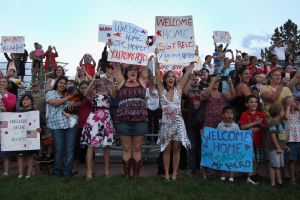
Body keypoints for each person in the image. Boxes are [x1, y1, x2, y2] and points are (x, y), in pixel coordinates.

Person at [155, 58, 193, 181]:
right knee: (166, 149)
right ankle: (166, 174)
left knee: (177, 149)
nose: (171, 78)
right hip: (166, 124)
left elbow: (187, 74)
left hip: (178, 124)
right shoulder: (161, 90)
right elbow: (156, 73)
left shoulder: (179, 89)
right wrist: (156, 60)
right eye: (168, 77)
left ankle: (174, 174)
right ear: (165, 80)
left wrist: (192, 62)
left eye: (173, 76)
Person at [113, 63, 149, 180]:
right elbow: (116, 67)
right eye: (130, 70)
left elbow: (144, 65)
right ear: (126, 73)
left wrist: (147, 49)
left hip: (140, 120)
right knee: (127, 148)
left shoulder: (142, 81)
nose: (133, 71)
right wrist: (112, 47)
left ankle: (136, 176)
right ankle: (127, 175)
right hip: (124, 120)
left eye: (135, 70)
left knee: (137, 148)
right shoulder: (121, 82)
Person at [81, 73, 115, 179]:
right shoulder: (94, 90)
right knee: (91, 145)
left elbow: (114, 95)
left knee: (106, 145)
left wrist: (111, 81)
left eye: (104, 78)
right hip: (94, 118)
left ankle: (106, 171)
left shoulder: (109, 89)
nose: (102, 80)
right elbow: (85, 94)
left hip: (106, 118)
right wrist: (93, 81)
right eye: (100, 78)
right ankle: (89, 171)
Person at [46, 76, 78, 176]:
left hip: (70, 124)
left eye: (65, 83)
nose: (63, 85)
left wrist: (74, 102)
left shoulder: (69, 94)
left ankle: (68, 172)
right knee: (59, 149)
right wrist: (70, 97)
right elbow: (55, 103)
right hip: (56, 125)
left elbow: (78, 103)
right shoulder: (51, 93)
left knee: (69, 149)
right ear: (57, 83)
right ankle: (57, 172)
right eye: (61, 82)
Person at [240, 95, 268, 185]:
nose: (254, 103)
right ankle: (249, 176)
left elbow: (265, 126)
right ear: (246, 104)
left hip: (257, 141)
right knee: (250, 159)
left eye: (255, 102)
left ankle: (253, 176)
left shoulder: (260, 114)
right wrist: (255, 123)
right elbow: (242, 127)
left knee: (256, 160)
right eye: (251, 102)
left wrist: (260, 124)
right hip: (247, 142)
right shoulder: (244, 114)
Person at [16, 93, 41, 179]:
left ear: (31, 101)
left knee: (30, 155)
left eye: (27, 99)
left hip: (31, 136)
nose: (25, 101)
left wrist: (40, 129)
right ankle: (20, 173)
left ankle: (29, 173)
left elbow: (42, 124)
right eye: (23, 100)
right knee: (20, 155)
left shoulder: (36, 112)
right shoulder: (18, 113)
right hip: (20, 136)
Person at [183, 74, 202, 175]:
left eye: (196, 80)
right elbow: (184, 92)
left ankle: (200, 167)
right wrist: (189, 80)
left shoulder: (203, 92)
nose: (195, 81)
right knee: (192, 146)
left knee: (200, 146)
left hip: (201, 123)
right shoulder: (188, 92)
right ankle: (191, 168)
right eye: (193, 80)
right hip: (190, 122)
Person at [267, 103, 288, 187]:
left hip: (280, 148)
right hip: (274, 148)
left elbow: (281, 136)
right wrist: (278, 147)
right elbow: (272, 136)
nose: (284, 112)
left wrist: (284, 146)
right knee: (273, 166)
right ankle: (273, 183)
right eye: (283, 110)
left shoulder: (280, 122)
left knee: (278, 166)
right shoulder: (273, 122)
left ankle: (279, 182)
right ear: (279, 112)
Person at [217, 106, 240, 183]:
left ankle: (231, 176)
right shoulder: (220, 125)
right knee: (222, 160)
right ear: (223, 115)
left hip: (232, 148)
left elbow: (239, 136)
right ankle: (223, 175)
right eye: (227, 113)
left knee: (232, 161)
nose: (230, 115)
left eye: (231, 113)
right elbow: (216, 135)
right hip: (222, 148)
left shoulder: (235, 126)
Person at [0, 77, 17, 176]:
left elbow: (10, 107)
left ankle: (6, 172)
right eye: (0, 82)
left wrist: (3, 95)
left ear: (8, 84)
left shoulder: (12, 95)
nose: (1, 83)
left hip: (6, 123)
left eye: (3, 82)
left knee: (5, 147)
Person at [282, 96, 300, 185]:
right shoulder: (284, 115)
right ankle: (292, 179)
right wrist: (288, 106)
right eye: (288, 102)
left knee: (297, 161)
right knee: (292, 160)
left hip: (299, 140)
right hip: (291, 141)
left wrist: (298, 107)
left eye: (293, 101)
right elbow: (286, 117)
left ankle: (297, 176)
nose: (292, 103)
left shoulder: (297, 113)